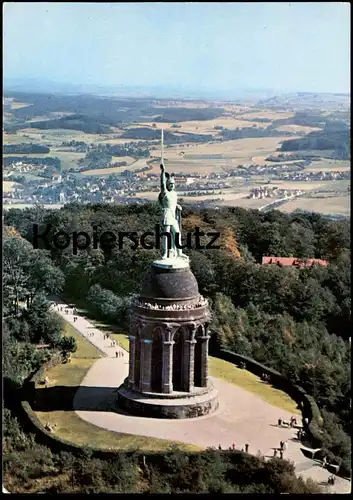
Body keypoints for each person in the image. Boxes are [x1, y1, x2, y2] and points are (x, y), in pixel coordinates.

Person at [159, 163, 189, 260]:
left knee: (177, 233)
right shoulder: (165, 193)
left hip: (173, 215)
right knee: (166, 234)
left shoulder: (174, 194)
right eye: (170, 184)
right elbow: (162, 184)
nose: (172, 185)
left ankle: (179, 252)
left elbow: (172, 203)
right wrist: (163, 171)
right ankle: (165, 253)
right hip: (167, 214)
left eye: (173, 184)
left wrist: (177, 206)